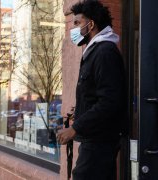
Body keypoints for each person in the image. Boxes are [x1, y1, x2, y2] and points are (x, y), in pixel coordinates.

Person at [56, 1, 127, 179]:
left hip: (99, 144)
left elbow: (110, 102)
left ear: (91, 24)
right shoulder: (95, 50)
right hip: (93, 142)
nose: (73, 28)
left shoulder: (104, 52)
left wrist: (76, 128)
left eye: (77, 23)